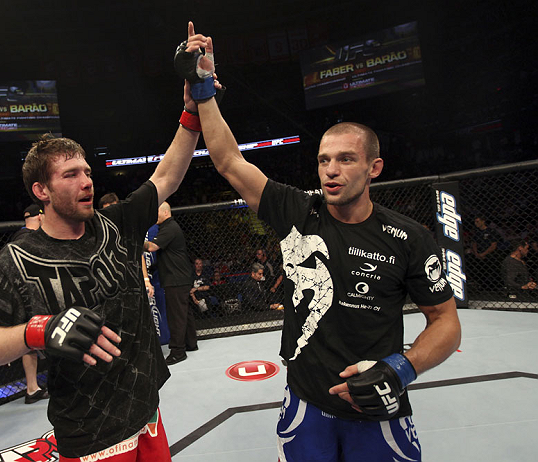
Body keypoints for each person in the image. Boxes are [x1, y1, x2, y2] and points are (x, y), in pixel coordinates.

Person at [176, 22, 461, 461]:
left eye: (346, 159)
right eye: (324, 159)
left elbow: (445, 320)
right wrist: (203, 88)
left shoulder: (409, 237)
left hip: (377, 406)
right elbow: (229, 161)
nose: (331, 170)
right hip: (306, 402)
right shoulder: (297, 210)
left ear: (374, 168)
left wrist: (401, 368)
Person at [0, 77, 219, 461]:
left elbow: (166, 176)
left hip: (145, 410)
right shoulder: (21, 259)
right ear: (41, 191)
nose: (87, 182)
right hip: (91, 432)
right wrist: (38, 330)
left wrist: (191, 113)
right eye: (70, 175)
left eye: (87, 172)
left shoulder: (115, 224)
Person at [144, 202, 197, 365]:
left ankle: (177, 352)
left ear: (165, 212)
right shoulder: (168, 227)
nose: (155, 216)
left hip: (176, 278)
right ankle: (190, 343)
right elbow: (168, 254)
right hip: (179, 276)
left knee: (176, 316)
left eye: (157, 212)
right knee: (183, 312)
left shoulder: (169, 227)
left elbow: (152, 247)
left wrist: (137, 242)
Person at [12, 204, 50, 404]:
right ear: (40, 217)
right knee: (40, 337)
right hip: (32, 297)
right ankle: (33, 387)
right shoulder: (28, 239)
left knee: (32, 340)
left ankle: (32, 388)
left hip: (25, 297)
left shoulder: (19, 237)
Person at [469, 215, 502, 289]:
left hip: (490, 256)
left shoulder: (491, 231)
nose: (476, 223)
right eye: (475, 221)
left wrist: (483, 254)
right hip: (479, 256)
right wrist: (477, 253)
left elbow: (493, 245)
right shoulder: (476, 232)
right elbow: (474, 243)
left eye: (477, 221)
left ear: (483, 221)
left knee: (491, 273)